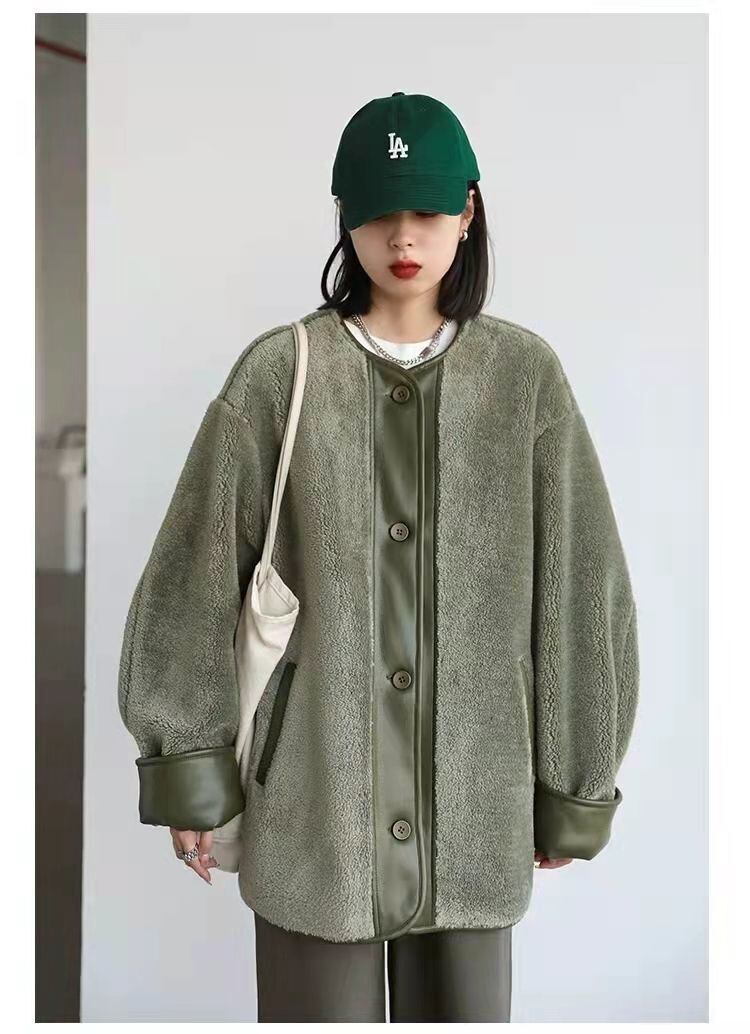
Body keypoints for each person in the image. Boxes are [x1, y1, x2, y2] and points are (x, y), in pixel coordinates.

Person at [117, 91, 640, 1022]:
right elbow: (194, 576)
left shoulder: (524, 378)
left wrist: (574, 778)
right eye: (377, 211)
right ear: (344, 216)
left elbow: (579, 587)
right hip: (314, 811)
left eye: (428, 210)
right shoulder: (280, 372)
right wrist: (187, 760)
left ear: (468, 212)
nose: (403, 236)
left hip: (478, 804)